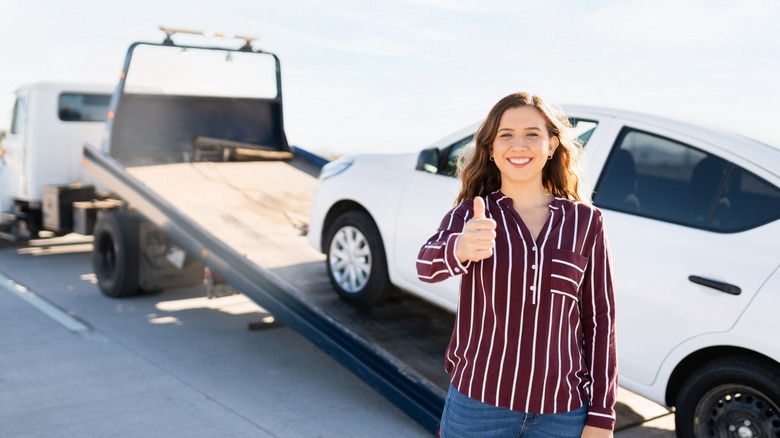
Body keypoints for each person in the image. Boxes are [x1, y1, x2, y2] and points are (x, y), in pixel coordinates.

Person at [417, 92, 617, 437]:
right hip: (479, 405)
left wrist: (601, 415)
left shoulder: (585, 222)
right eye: (506, 135)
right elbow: (426, 265)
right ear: (491, 149)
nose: (518, 145)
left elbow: (600, 322)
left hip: (563, 411)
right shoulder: (471, 214)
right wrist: (461, 246)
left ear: (552, 145)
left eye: (532, 134)